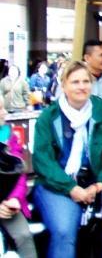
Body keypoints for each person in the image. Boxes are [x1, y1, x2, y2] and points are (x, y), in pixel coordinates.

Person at [33, 61, 102, 258]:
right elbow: (43, 161)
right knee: (63, 230)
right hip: (59, 184)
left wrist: (99, 185)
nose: (81, 86)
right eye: (75, 82)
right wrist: (71, 188)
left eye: (86, 81)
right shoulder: (48, 116)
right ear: (64, 86)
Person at [0, 96, 36, 257]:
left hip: (8, 202)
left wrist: (15, 198)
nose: (4, 112)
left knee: (24, 235)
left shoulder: (10, 137)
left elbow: (19, 174)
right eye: (0, 109)